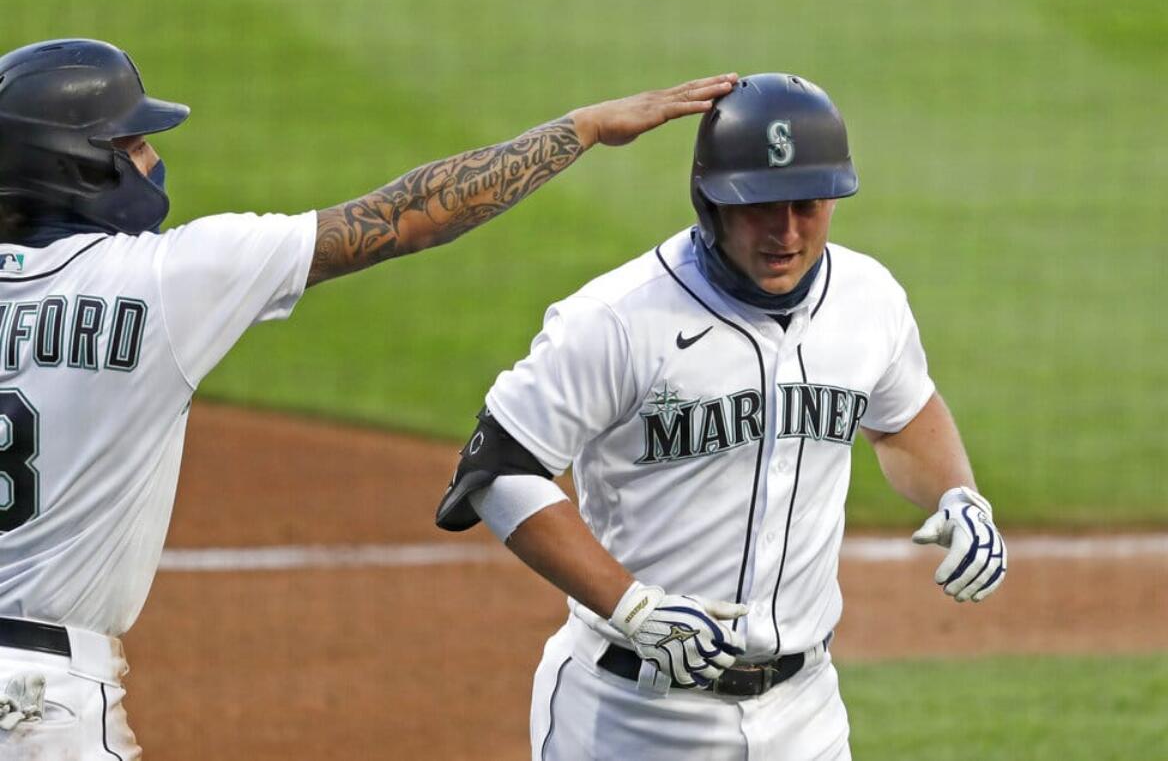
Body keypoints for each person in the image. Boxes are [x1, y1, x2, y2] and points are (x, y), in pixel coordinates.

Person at [0, 37, 736, 759]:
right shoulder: (168, 280)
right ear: (80, 167)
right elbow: (405, 215)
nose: (154, 159)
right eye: (133, 144)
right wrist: (582, 129)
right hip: (41, 706)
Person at [436, 73, 1008, 760]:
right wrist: (633, 607)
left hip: (806, 715)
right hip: (630, 720)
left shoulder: (868, 298)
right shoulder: (620, 319)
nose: (786, 231)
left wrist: (958, 493)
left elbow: (901, 414)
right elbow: (499, 471)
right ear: (709, 199)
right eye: (760, 206)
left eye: (808, 205)